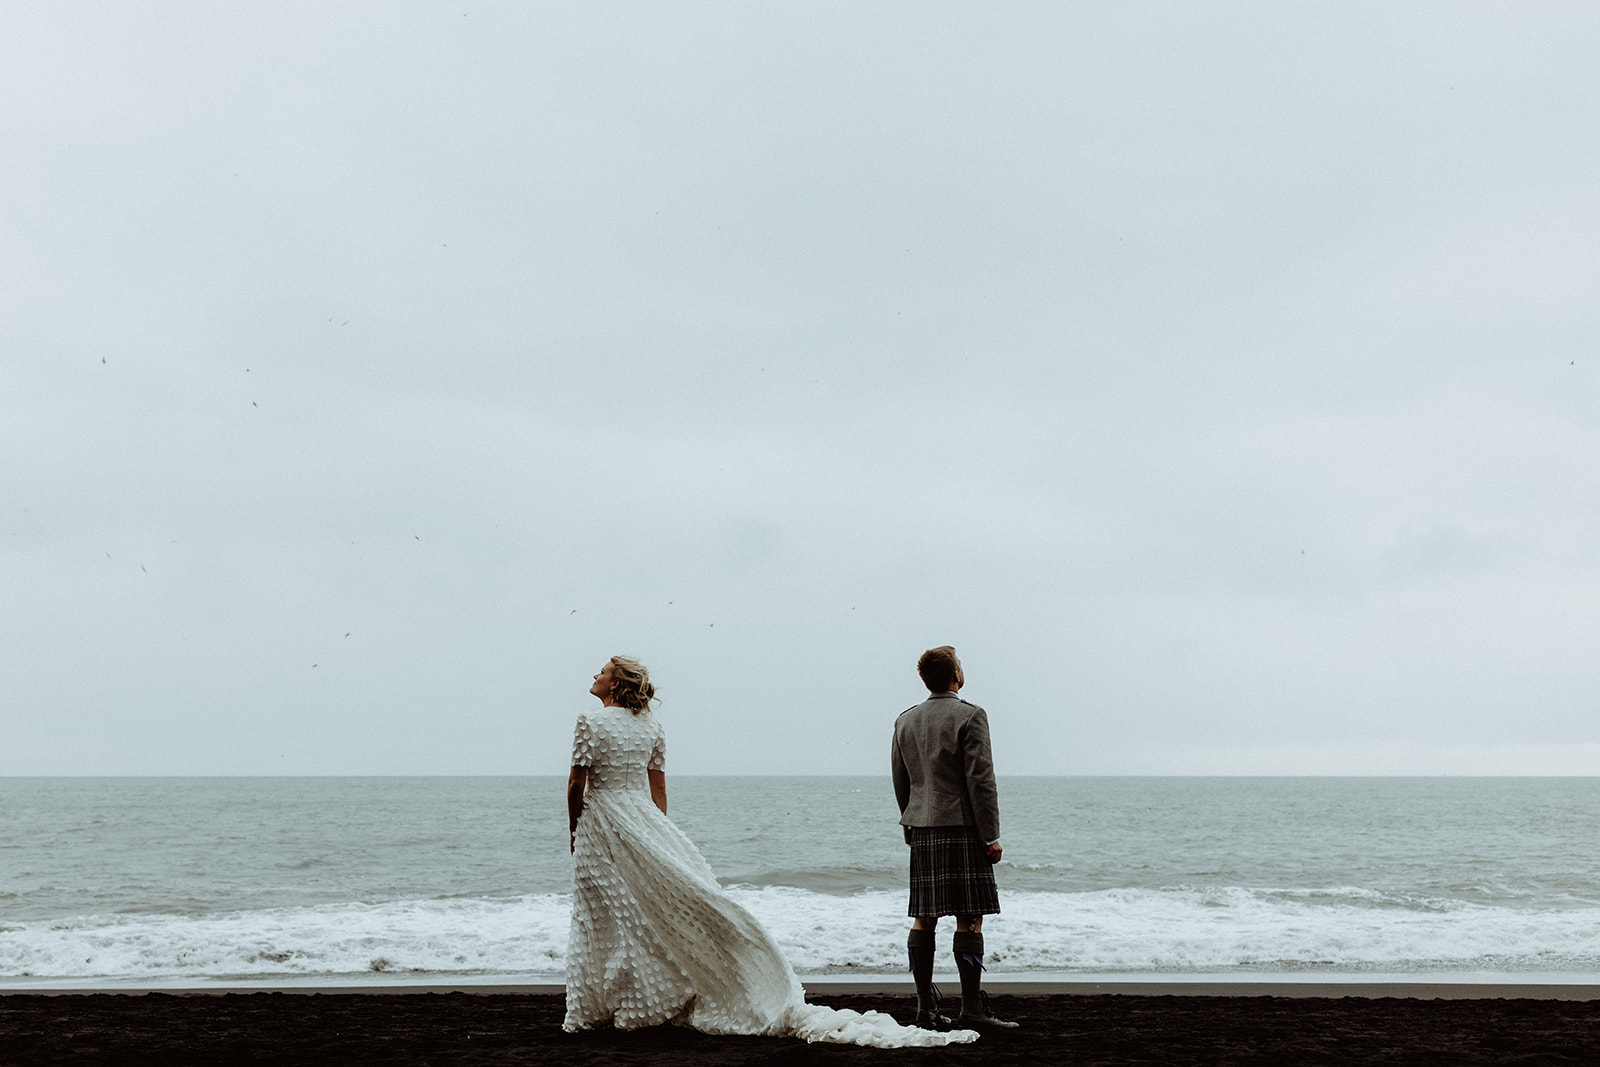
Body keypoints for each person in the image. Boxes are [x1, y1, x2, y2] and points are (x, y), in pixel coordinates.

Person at [563, 655, 976, 1047]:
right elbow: (658, 791)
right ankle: (641, 1000)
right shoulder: (652, 727)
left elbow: (576, 785)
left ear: (615, 683)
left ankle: (611, 1005)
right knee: (643, 912)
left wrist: (575, 827)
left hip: (603, 822)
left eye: (601, 671)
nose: (594, 676)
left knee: (605, 915)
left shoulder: (589, 721)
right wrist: (659, 834)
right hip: (645, 821)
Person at [890, 645, 1018, 1031]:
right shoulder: (970, 716)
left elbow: (901, 779)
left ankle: (925, 1009)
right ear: (956, 676)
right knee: (970, 918)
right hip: (962, 828)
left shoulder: (905, 720)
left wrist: (910, 821)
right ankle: (971, 1009)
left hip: (923, 827)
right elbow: (981, 780)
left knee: (923, 918)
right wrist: (991, 834)